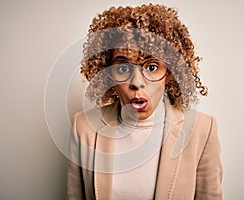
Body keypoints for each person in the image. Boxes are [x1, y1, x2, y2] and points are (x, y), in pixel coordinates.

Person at [67, 4, 222, 200]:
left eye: (151, 67)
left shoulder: (203, 130)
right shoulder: (83, 127)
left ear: (170, 73)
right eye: (123, 68)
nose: (136, 82)